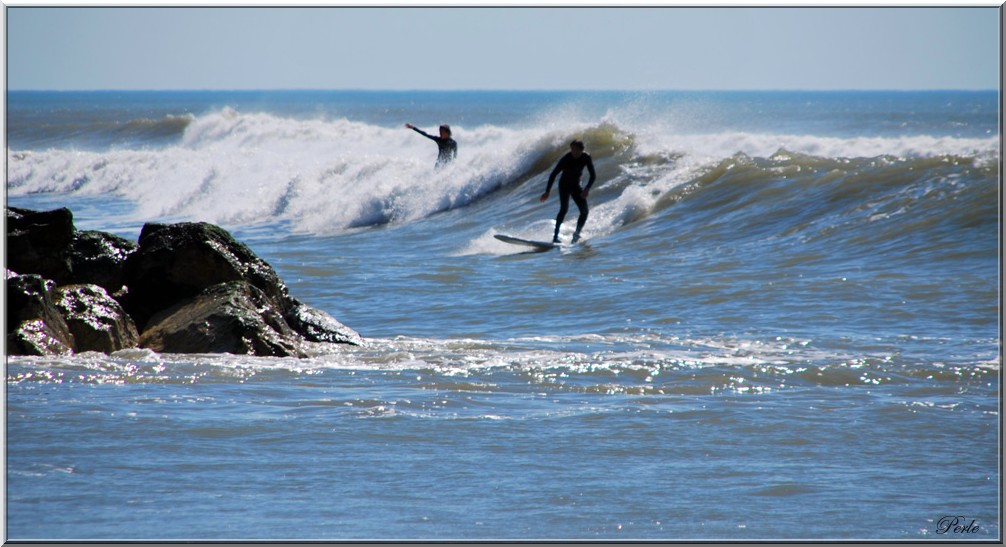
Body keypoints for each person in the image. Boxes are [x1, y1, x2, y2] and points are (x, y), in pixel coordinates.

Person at [540, 140, 596, 243]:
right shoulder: (566, 159)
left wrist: (587, 189)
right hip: (564, 185)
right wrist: (547, 191)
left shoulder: (586, 157)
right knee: (564, 209)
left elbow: (593, 175)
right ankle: (555, 237)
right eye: (572, 149)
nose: (573, 152)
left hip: (576, 186)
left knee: (584, 212)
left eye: (575, 150)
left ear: (581, 150)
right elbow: (553, 174)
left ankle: (576, 235)